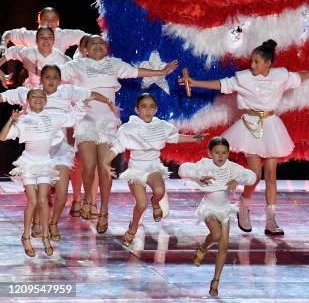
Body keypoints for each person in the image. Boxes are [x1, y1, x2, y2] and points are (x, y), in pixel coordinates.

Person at [179, 39, 309, 235]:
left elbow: (298, 77)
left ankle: (271, 220)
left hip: (272, 127)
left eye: (256, 62)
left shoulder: (280, 76)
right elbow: (222, 84)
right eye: (252, 61)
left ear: (268, 64)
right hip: (250, 126)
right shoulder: (244, 78)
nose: (252, 65)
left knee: (271, 175)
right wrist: (194, 82)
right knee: (255, 174)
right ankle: (244, 207)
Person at [60, 35, 177, 234]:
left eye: (101, 43)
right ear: (85, 49)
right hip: (86, 121)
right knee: (88, 166)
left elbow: (136, 72)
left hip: (107, 122)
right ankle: (90, 199)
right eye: (93, 43)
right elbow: (51, 76)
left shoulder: (113, 64)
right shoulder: (75, 65)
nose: (98, 45)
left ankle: (104, 209)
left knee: (104, 166)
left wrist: (162, 71)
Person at [0, 64, 113, 241]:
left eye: (55, 77)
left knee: (61, 193)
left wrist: (107, 101)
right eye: (47, 77)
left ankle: (53, 223)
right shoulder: (29, 93)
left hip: (60, 149)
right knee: (40, 194)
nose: (51, 81)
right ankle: (37, 223)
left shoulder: (66, 92)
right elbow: (5, 96)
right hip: (38, 151)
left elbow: (88, 96)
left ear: (60, 80)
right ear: (41, 79)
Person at [102, 93, 204, 245]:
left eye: (151, 107)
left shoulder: (161, 126)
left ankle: (155, 203)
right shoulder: (129, 128)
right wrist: (105, 163)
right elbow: (116, 147)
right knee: (141, 204)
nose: (148, 111)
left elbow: (174, 138)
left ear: (156, 109)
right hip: (136, 170)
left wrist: (193, 138)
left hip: (153, 167)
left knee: (159, 192)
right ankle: (133, 227)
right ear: (137, 110)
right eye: (144, 107)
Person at [0, 89, 80, 257]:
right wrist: (11, 120)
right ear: (28, 101)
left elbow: (73, 117)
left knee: (43, 201)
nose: (38, 99)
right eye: (33, 96)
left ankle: (45, 237)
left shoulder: (54, 117)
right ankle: (26, 237)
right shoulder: (24, 120)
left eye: (41, 96)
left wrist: (83, 102)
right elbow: (2, 137)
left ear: (45, 101)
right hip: (29, 163)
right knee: (33, 201)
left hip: (45, 163)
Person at [178, 137, 257, 297]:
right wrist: (198, 176)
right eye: (216, 152)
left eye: (224, 153)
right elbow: (183, 169)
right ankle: (203, 247)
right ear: (210, 153)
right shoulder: (205, 165)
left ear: (228, 153)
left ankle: (215, 281)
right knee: (216, 235)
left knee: (224, 246)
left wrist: (238, 179)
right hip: (208, 208)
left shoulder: (232, 168)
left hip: (225, 209)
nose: (220, 156)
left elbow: (252, 176)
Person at [0, 27, 70, 88]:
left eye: (49, 37)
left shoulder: (61, 59)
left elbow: (65, 78)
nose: (46, 40)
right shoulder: (29, 52)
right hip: (31, 92)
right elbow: (12, 51)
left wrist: (36, 71)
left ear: (54, 40)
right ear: (36, 40)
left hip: (53, 95)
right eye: (42, 37)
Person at [0, 7, 89, 55]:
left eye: (53, 19)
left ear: (58, 22)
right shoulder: (31, 36)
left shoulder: (64, 35)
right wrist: (3, 44)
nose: (50, 22)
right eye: (46, 19)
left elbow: (88, 37)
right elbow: (8, 33)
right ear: (39, 21)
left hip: (58, 79)